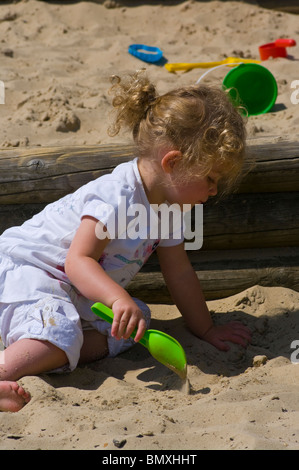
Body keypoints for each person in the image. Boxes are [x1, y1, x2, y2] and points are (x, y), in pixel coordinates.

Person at [0, 70, 251, 412]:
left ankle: (52, 349)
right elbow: (78, 261)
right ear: (174, 162)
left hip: (72, 291)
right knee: (69, 330)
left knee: (136, 324)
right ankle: (11, 367)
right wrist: (117, 298)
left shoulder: (169, 210)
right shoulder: (118, 197)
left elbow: (179, 273)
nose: (213, 190)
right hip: (29, 272)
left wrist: (205, 329)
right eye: (209, 178)